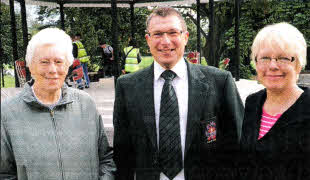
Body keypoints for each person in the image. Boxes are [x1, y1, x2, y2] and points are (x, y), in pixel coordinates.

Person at [113, 7, 244, 180]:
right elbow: (123, 154)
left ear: (185, 37)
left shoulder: (220, 82)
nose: (165, 41)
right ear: (148, 39)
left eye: (173, 33)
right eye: (158, 34)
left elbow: (239, 145)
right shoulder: (127, 86)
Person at [0, 28, 116, 179]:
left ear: (68, 65)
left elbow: (106, 159)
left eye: (59, 62)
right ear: (31, 65)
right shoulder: (8, 112)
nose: (53, 69)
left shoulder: (86, 105)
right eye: (44, 62)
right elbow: (4, 174)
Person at [240, 22, 309, 179]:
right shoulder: (252, 103)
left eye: (283, 58)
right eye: (264, 58)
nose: (272, 66)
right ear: (256, 63)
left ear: (298, 64)